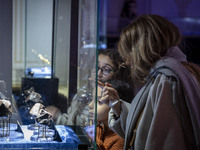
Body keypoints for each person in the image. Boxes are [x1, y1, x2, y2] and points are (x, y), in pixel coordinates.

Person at [99, 14, 200, 150]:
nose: (128, 62)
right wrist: (118, 107)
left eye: (130, 54)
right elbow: (145, 127)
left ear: (142, 49)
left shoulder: (166, 79)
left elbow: (162, 141)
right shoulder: (175, 71)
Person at [46, 49, 134, 126]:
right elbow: (72, 124)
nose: (98, 74)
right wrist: (56, 116)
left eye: (106, 70)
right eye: (96, 67)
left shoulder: (114, 102)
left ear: (118, 75)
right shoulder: (82, 94)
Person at [87, 80, 134, 150]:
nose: (90, 105)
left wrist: (94, 139)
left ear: (113, 105)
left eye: (99, 101)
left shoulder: (120, 139)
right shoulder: (100, 130)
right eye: (92, 99)